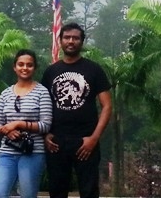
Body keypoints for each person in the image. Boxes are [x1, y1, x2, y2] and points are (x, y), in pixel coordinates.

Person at [41, 23, 112, 198]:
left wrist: (94, 138)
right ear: (60, 40)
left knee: (89, 191)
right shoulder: (51, 72)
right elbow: (42, 106)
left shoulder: (94, 70)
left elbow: (107, 106)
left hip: (86, 141)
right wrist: (45, 135)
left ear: (82, 41)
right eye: (67, 37)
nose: (71, 41)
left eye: (75, 38)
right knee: (57, 192)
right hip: (56, 142)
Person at [0, 49, 53, 198]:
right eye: (21, 64)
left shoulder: (42, 92)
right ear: (14, 67)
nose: (25, 68)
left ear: (35, 68)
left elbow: (46, 125)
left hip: (32, 152)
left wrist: (19, 124)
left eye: (29, 65)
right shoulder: (5, 94)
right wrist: (7, 131)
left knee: (27, 195)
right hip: (7, 151)